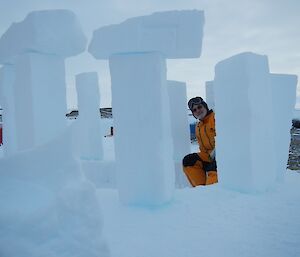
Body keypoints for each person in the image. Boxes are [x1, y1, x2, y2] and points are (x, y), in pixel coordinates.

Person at [182, 97, 218, 186]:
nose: (198, 110)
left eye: (199, 107)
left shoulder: (215, 118)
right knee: (189, 161)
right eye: (194, 110)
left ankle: (211, 193)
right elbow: (202, 148)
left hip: (222, 155)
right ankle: (200, 189)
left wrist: (216, 153)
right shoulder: (198, 126)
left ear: (205, 106)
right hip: (208, 156)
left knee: (213, 167)